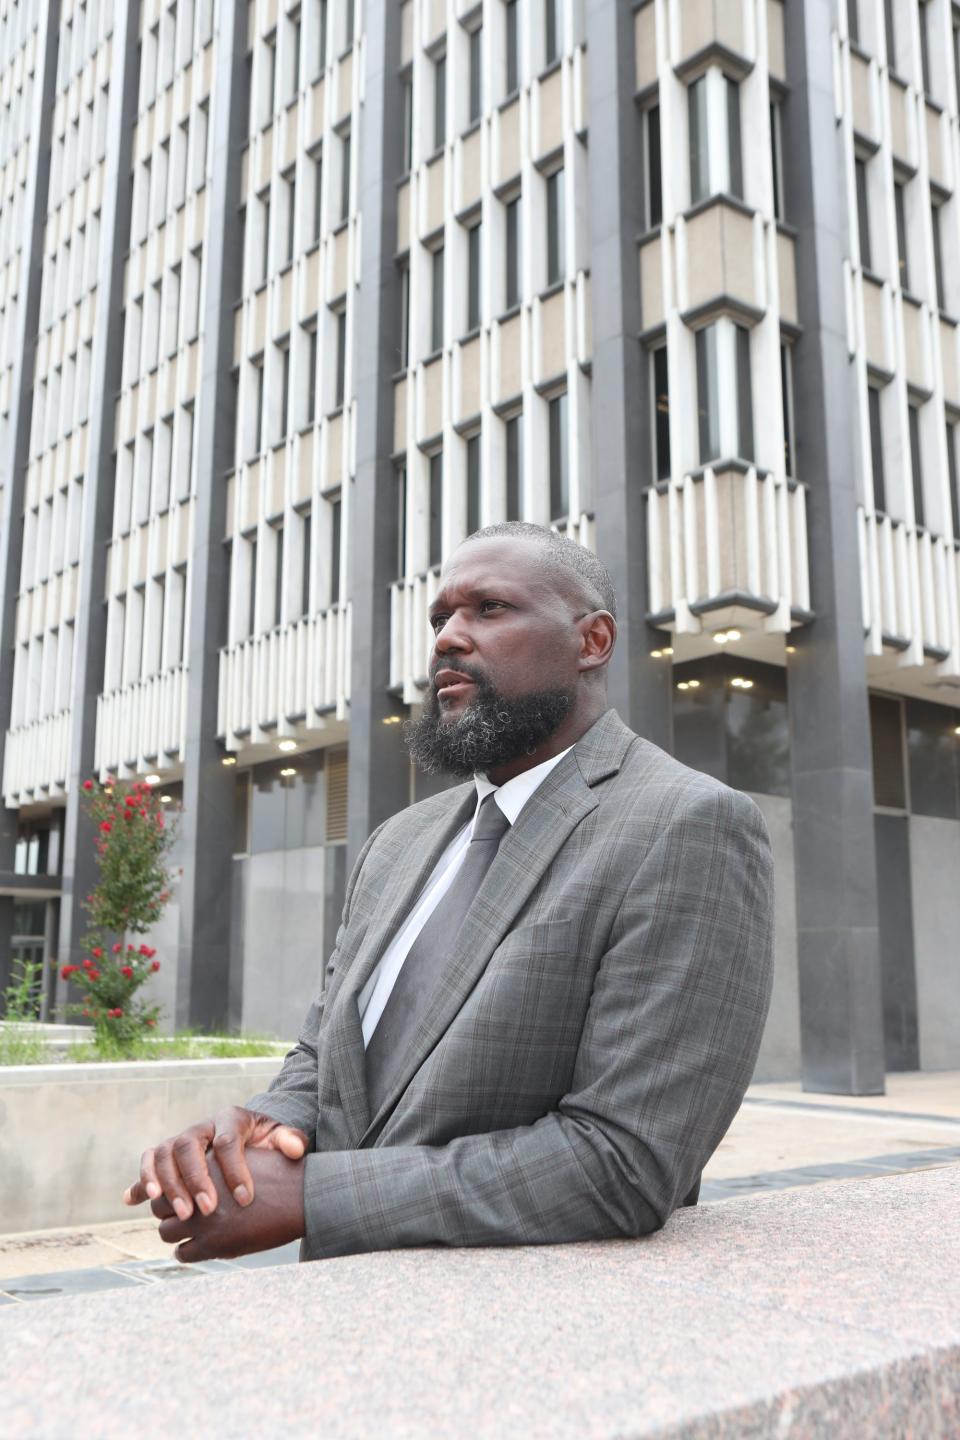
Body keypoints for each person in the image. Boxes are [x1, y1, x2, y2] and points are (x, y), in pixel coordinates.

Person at [124, 523, 774, 1263]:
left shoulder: (687, 825)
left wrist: (315, 1195)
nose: (447, 640)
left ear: (592, 641)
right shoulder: (398, 843)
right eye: (440, 618)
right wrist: (256, 1130)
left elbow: (625, 1162)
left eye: (490, 609)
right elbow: (327, 1051)